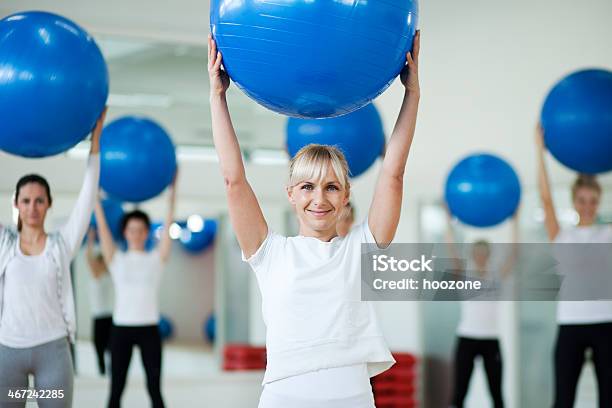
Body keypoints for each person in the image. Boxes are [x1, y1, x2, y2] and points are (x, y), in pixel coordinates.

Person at [207, 29, 420, 407]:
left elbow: (393, 173)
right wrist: (217, 97)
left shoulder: (361, 249)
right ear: (290, 194)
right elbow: (233, 179)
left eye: (331, 187)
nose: (318, 198)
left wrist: (412, 94)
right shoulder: (269, 253)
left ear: (346, 196)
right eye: (307, 187)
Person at [0, 108, 107, 408]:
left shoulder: (62, 245)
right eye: (25, 201)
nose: (32, 207)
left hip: (53, 354)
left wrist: (94, 145)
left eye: (39, 201)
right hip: (9, 353)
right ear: (17, 205)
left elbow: (87, 196)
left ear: (49, 205)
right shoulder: (5, 245)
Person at [535, 125, 612, 408]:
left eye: (593, 200)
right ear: (574, 201)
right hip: (570, 325)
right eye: (582, 200)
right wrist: (538, 151)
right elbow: (545, 198)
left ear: (599, 201)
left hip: (606, 324)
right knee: (563, 399)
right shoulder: (562, 235)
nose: (588, 206)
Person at [94, 172, 177, 408]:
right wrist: (96, 199)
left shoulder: (156, 258)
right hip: (121, 330)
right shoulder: (116, 258)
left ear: (146, 232)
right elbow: (101, 227)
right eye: (132, 230)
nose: (136, 234)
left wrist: (172, 193)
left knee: (154, 388)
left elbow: (169, 221)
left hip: (149, 329)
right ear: (125, 233)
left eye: (141, 230)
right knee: (116, 389)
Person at [445, 207, 518, 408]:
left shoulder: (496, 277)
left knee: (497, 395)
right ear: (472, 254)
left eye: (484, 253)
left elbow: (514, 253)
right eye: (477, 252)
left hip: (490, 339)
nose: (480, 256)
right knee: (459, 393)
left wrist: (515, 221)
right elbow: (450, 247)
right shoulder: (465, 276)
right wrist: (448, 219)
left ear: (489, 254)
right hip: (466, 338)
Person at [85, 228, 114, 376]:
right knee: (98, 346)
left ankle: (110, 368)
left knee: (111, 347)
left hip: (109, 316)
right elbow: (88, 258)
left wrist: (104, 238)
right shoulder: (95, 275)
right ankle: (102, 369)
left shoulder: (109, 275)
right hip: (98, 316)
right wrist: (91, 239)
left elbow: (111, 255)